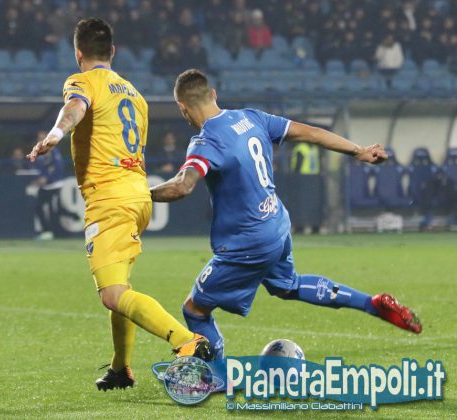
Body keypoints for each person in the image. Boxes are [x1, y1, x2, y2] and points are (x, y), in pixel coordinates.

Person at [150, 69, 422, 361]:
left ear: (182, 107)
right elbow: (312, 133)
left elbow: (182, 186)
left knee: (194, 309)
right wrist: (358, 151)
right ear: (213, 94)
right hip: (276, 223)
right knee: (287, 286)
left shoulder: (206, 141)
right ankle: (372, 304)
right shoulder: (251, 117)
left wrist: (139, 193)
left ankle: (216, 376)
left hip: (247, 242)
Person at [27, 18, 211, 391]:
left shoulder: (82, 82)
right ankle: (120, 368)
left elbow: (75, 107)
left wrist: (56, 133)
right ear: (112, 51)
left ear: (78, 53)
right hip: (139, 195)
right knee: (120, 290)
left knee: (112, 294)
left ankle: (186, 341)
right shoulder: (135, 95)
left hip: (108, 199)